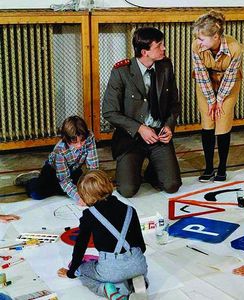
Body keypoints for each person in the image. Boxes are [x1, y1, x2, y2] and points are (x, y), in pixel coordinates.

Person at [102, 27, 182, 198]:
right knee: (127, 190)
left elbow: (174, 104)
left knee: (171, 185)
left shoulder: (165, 67)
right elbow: (109, 112)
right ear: (145, 52)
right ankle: (131, 168)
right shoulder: (121, 71)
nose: (164, 49)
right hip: (131, 139)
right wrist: (139, 128)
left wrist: (169, 126)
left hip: (158, 135)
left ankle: (154, 170)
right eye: (159, 45)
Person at [57, 170, 148, 300]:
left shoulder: (89, 215)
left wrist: (72, 273)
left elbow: (80, 247)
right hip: (138, 264)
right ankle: (137, 282)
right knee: (130, 270)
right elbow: (141, 246)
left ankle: (107, 290)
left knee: (81, 271)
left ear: (86, 195)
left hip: (110, 269)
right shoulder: (129, 209)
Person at [192, 10, 243, 182]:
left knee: (223, 121)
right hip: (205, 82)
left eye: (202, 39)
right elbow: (200, 74)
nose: (198, 42)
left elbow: (230, 78)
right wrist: (211, 100)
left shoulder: (235, 48)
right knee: (208, 121)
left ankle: (222, 167)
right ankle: (208, 168)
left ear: (215, 37)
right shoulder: (196, 47)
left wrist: (219, 100)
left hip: (228, 84)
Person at [14, 116, 98, 204]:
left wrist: (95, 186)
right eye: (75, 142)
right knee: (36, 194)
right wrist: (78, 198)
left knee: (80, 189)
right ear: (66, 139)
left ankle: (58, 188)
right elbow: (64, 180)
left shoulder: (89, 137)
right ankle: (31, 179)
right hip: (52, 171)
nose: (80, 145)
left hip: (74, 170)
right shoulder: (60, 150)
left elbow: (93, 167)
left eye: (82, 140)